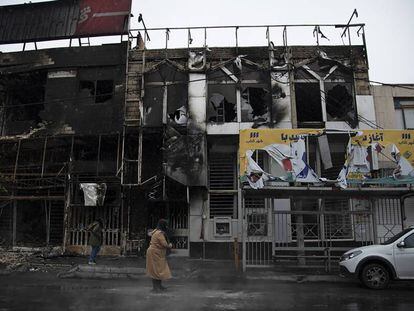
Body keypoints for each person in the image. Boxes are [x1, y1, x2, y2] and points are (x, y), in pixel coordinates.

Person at [146, 219, 173, 292]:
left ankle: (158, 286)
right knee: (156, 270)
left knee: (157, 270)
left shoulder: (155, 231)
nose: (167, 227)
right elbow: (164, 244)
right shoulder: (159, 233)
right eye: (166, 225)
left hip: (155, 253)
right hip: (155, 253)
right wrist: (169, 246)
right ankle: (156, 287)